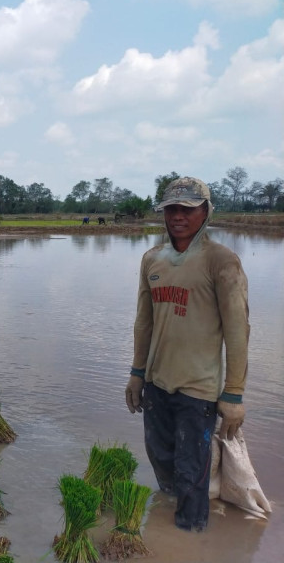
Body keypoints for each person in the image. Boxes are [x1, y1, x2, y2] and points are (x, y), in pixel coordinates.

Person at [125, 176, 249, 532]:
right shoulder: (152, 259)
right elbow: (143, 322)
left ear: (206, 212)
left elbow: (238, 331)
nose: (179, 216)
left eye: (188, 209)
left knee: (192, 469)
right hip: (157, 383)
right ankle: (167, 522)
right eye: (172, 209)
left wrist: (234, 393)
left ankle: (190, 535)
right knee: (160, 457)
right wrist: (136, 373)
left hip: (199, 390)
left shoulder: (221, 261)